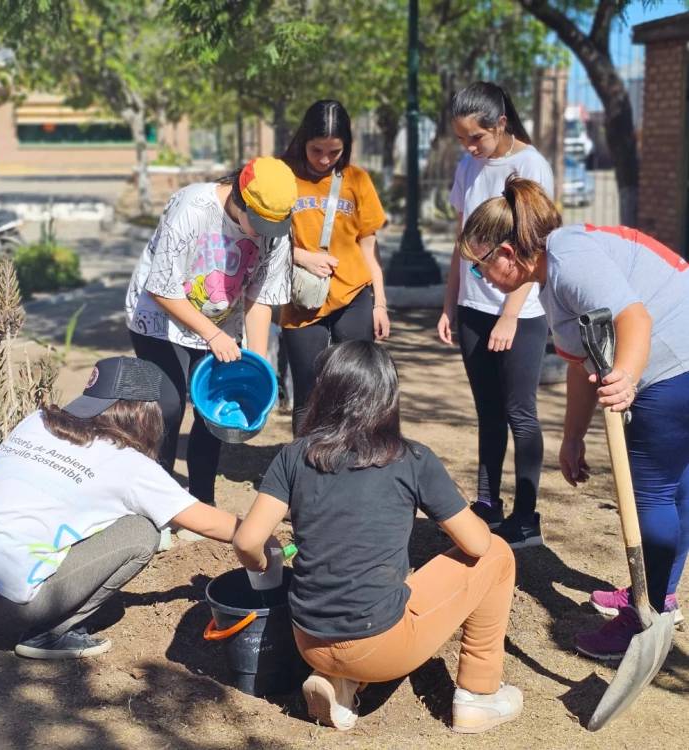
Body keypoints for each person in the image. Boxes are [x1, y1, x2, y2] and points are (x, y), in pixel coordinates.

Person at [233, 341, 521, 734]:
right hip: (380, 646)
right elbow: (478, 545)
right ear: (388, 397)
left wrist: (264, 566)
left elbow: (247, 541)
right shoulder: (413, 460)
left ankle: (338, 682)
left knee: (385, 598)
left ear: (324, 392)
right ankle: (480, 696)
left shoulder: (294, 456)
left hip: (308, 640)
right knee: (500, 556)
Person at [458, 175, 689, 660]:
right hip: (671, 362)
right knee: (679, 487)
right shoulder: (553, 280)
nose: (483, 281)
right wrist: (572, 439)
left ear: (505, 252)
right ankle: (659, 597)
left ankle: (644, 616)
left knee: (652, 493)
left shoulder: (568, 259)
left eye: (480, 270)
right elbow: (583, 366)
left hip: (674, 364)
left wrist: (626, 375)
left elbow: (634, 319)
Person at [0, 357, 245, 659]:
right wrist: (261, 532)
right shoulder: (128, 464)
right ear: (145, 414)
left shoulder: (37, 421)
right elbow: (206, 522)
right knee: (142, 532)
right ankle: (49, 635)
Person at [125, 156, 297, 505]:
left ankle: (201, 500)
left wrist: (257, 361)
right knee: (168, 406)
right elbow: (162, 288)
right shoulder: (194, 208)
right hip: (160, 320)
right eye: (260, 224)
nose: (266, 235)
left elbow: (261, 297)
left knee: (214, 406)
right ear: (240, 198)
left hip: (220, 322)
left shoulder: (276, 234)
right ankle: (159, 502)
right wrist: (212, 334)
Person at [437, 82, 554, 549]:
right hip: (472, 308)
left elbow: (535, 249)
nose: (469, 148)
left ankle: (527, 517)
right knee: (487, 412)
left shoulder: (530, 166)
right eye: (462, 139)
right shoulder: (469, 166)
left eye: (476, 138)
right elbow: (461, 239)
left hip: (519, 314)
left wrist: (510, 314)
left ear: (500, 124)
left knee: (520, 413)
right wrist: (450, 302)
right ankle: (488, 503)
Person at [281, 100, 390, 435]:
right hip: (301, 297)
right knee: (308, 392)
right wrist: (302, 256)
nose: (325, 160)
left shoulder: (357, 180)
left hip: (355, 292)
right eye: (317, 150)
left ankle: (353, 465)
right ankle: (302, 470)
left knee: (358, 386)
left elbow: (369, 250)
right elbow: (262, 243)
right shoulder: (283, 176)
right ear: (303, 141)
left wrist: (380, 304)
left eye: (334, 151)